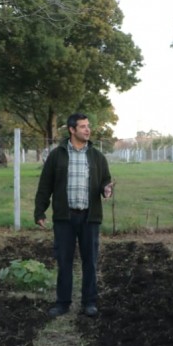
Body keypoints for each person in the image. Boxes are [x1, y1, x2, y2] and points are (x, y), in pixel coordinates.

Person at [34, 113, 113, 318]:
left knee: (90, 261)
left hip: (89, 217)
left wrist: (106, 189)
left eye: (88, 126)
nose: (88, 130)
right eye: (83, 126)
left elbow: (106, 180)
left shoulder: (97, 156)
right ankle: (63, 303)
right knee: (64, 261)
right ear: (71, 129)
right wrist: (39, 211)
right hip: (64, 218)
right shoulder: (57, 155)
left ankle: (89, 302)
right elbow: (45, 185)